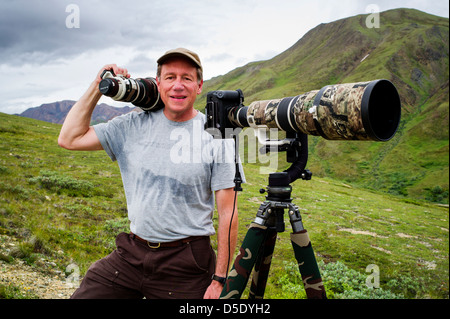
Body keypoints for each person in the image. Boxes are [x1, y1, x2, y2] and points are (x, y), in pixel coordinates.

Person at [58, 48, 244, 299]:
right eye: (170, 77)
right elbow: (70, 138)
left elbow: (227, 213)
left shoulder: (217, 135)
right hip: (131, 253)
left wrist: (220, 279)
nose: (178, 85)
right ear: (158, 84)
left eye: (186, 78)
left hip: (187, 262)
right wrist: (97, 85)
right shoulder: (131, 125)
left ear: (199, 86)